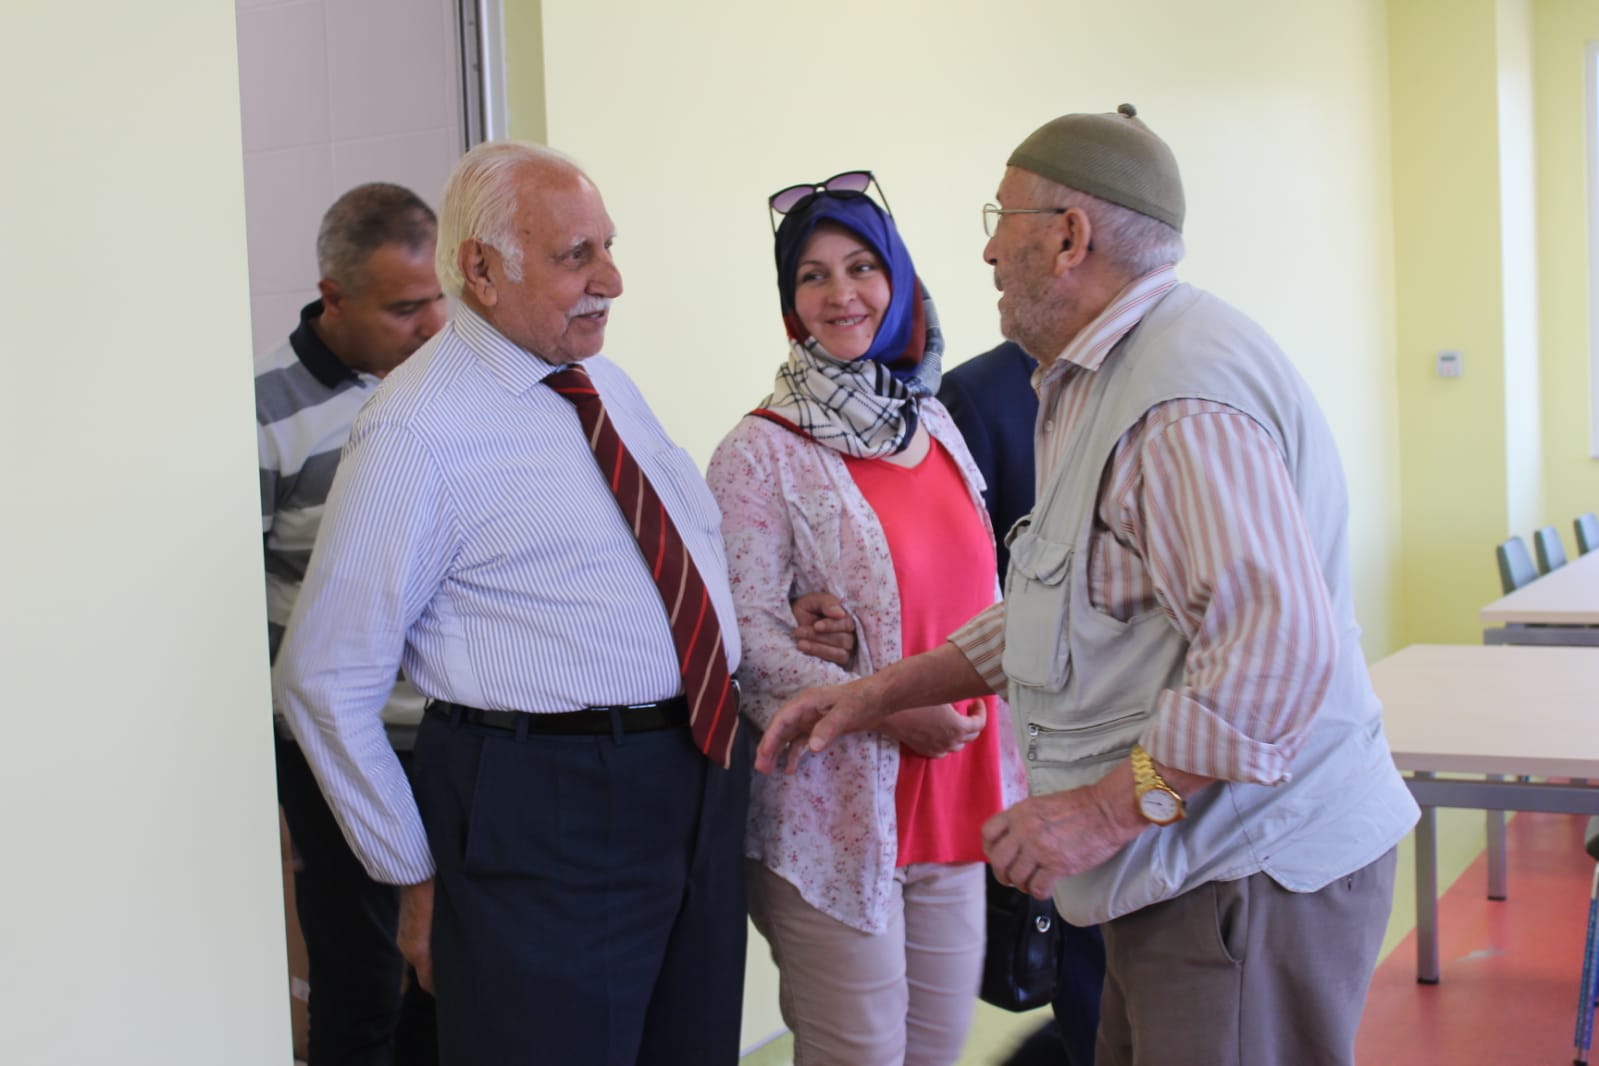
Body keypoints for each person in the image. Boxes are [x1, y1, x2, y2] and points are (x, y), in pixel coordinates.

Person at [754, 106, 1421, 1066]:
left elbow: (1275, 654)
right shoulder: (1095, 377)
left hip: (1243, 875)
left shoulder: (1177, 402)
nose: (986, 251)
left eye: (1003, 218)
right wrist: (877, 693)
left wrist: (1103, 810)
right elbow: (1054, 606)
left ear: (1069, 238)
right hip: (1177, 868)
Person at [274, 142, 756, 1066]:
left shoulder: (601, 382)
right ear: (482, 270)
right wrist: (412, 873)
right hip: (551, 811)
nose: (611, 279)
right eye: (577, 255)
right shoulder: (416, 430)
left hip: (692, 782)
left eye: (608, 247)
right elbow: (322, 681)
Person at [705, 172, 1025, 1066]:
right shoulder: (757, 452)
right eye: (811, 276)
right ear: (789, 301)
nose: (839, 294)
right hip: (834, 818)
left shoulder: (934, 424)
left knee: (934, 1052)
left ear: (898, 278)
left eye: (860, 267)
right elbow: (746, 644)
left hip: (956, 801)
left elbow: (982, 601)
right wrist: (890, 704)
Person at [256, 181, 445, 1066]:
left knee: (446, 976)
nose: (431, 324)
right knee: (362, 982)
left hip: (450, 734)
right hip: (332, 747)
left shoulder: (450, 388)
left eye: (438, 298)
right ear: (333, 298)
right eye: (405, 308)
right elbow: (229, 607)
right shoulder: (263, 415)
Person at [940, 345, 1103, 1066]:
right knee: (1087, 988)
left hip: (1159, 765)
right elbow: (970, 583)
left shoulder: (1161, 377)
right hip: (1052, 749)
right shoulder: (978, 396)